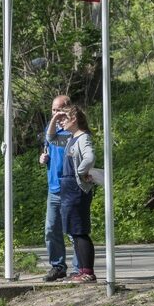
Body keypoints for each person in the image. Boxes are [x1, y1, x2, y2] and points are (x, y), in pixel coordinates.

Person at [50, 105, 97, 283]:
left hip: (76, 189)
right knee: (73, 230)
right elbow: (51, 138)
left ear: (74, 119)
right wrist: (55, 119)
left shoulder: (83, 138)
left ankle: (88, 272)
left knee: (79, 230)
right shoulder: (71, 138)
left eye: (64, 118)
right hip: (68, 188)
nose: (61, 121)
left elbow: (89, 157)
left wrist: (81, 171)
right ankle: (82, 271)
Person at [40, 95, 78, 282]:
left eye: (59, 110)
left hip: (70, 186)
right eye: (53, 110)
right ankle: (58, 266)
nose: (55, 114)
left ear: (68, 108)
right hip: (53, 186)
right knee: (51, 229)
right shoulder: (50, 127)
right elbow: (48, 147)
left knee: (74, 230)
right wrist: (43, 157)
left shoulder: (73, 129)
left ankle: (79, 268)